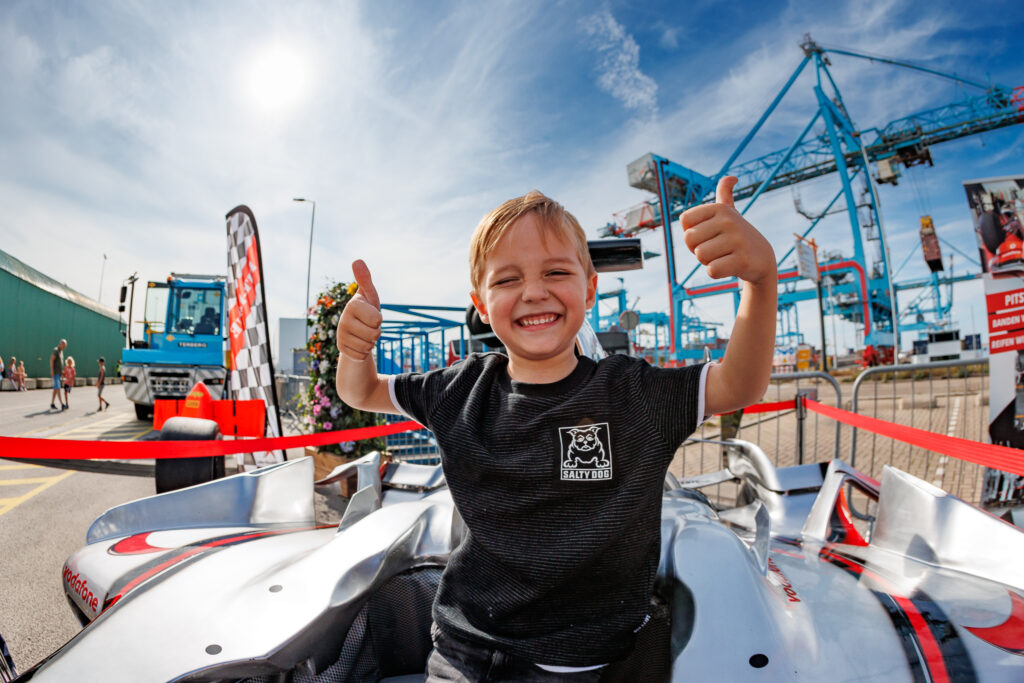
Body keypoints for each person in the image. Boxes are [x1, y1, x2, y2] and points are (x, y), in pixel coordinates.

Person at [335, 178, 777, 679]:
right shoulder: (458, 390)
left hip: (582, 665)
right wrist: (354, 351)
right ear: (480, 303)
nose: (534, 291)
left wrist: (759, 282)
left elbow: (738, 383)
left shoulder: (636, 395)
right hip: (460, 650)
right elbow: (362, 391)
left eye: (556, 271)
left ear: (589, 288)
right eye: (506, 280)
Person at [50, 339, 67, 410]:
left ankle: (52, 403)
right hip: (55, 373)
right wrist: (52, 371)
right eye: (64, 345)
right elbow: (51, 360)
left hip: (59, 373)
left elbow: (59, 363)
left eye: (65, 346)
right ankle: (62, 404)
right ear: (60, 344)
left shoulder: (61, 352)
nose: (64, 347)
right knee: (58, 388)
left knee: (55, 389)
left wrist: (62, 372)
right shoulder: (56, 350)